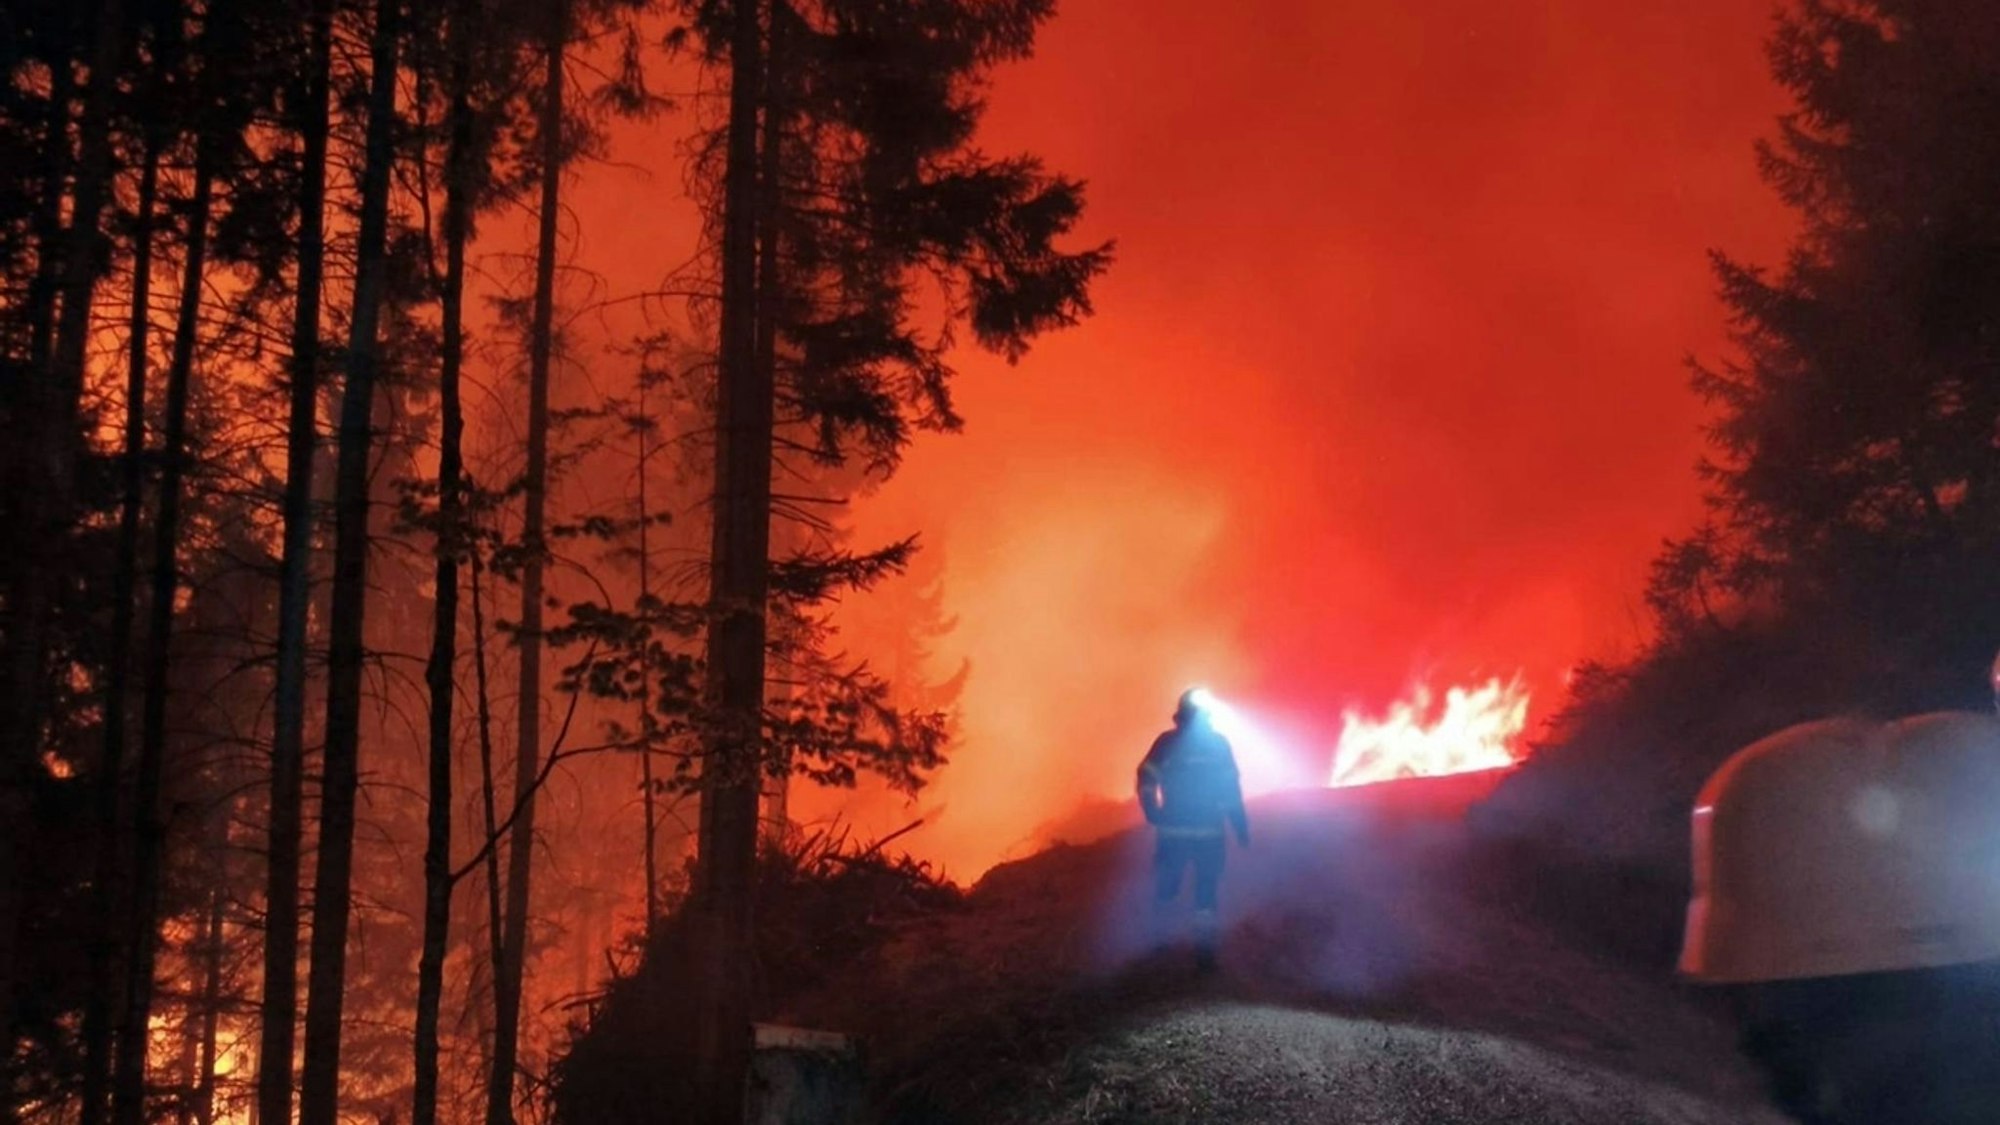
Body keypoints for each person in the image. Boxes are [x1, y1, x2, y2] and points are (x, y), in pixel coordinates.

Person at [1136, 688, 1250, 968]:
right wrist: (1239, 826)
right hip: (1208, 834)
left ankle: (1161, 947)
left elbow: (1146, 777)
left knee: (1168, 889)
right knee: (1205, 893)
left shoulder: (1167, 743)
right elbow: (1231, 790)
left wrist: (1152, 810)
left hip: (1173, 833)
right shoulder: (1218, 745)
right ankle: (1204, 954)